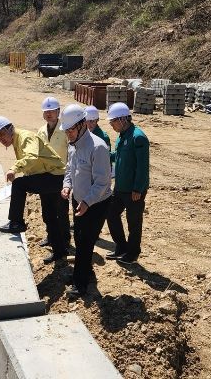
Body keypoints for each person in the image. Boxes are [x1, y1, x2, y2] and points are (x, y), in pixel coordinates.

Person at [0, 116, 68, 264]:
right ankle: (60, 250)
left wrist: (14, 168)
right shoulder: (17, 140)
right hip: (48, 175)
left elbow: (31, 157)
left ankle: (16, 222)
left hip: (54, 176)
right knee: (49, 216)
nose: (1, 139)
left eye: (2, 134)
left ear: (10, 128)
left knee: (19, 184)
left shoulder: (25, 137)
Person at [60, 104, 112, 297]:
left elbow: (102, 183)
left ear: (82, 124)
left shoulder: (98, 147)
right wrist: (67, 185)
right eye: (66, 131)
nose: (68, 134)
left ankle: (80, 284)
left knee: (85, 242)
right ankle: (84, 272)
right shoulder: (73, 145)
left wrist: (88, 202)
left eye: (71, 130)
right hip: (79, 201)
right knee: (79, 238)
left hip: (96, 204)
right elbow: (69, 169)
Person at [104, 102, 149, 264]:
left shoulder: (138, 137)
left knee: (134, 222)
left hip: (133, 190)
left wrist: (138, 189)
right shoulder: (122, 135)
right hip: (120, 187)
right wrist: (103, 154)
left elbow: (142, 167)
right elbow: (118, 156)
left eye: (113, 121)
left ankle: (133, 253)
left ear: (123, 119)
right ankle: (121, 247)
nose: (111, 125)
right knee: (111, 214)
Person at [37, 97, 71, 247]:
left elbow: (71, 154)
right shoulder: (41, 131)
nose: (49, 114)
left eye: (52, 111)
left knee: (61, 210)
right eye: (46, 111)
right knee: (47, 210)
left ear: (58, 112)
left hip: (61, 176)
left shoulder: (65, 130)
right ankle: (51, 236)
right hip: (45, 176)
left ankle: (65, 239)